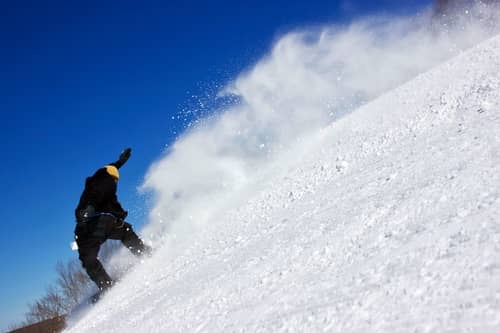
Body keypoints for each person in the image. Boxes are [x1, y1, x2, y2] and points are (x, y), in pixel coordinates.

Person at [74, 148, 151, 293]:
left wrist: (120, 161)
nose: (116, 182)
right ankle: (144, 253)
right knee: (125, 232)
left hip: (94, 225)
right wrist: (90, 208)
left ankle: (105, 284)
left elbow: (111, 168)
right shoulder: (104, 180)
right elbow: (96, 192)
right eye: (115, 179)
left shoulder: (104, 173)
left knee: (88, 258)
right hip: (95, 222)